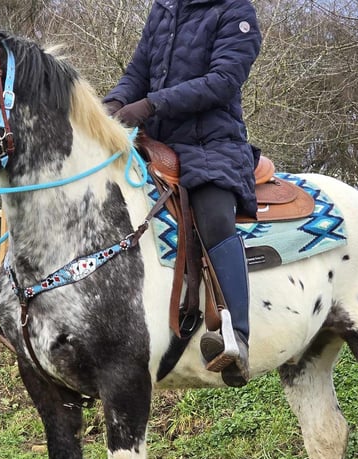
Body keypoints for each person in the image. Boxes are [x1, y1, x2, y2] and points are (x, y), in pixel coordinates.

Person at [103, 0, 262, 387]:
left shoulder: (235, 12)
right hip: (156, 141)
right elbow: (138, 70)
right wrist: (113, 103)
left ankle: (235, 335)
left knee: (213, 213)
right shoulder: (165, 8)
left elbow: (223, 80)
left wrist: (152, 104)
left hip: (212, 143)